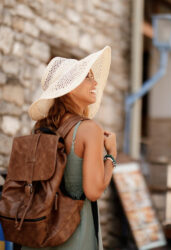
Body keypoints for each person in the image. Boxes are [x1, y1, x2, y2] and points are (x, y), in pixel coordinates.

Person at [22, 46, 116, 250]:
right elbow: (93, 191)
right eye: (87, 78)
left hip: (39, 232)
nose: (95, 83)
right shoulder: (89, 129)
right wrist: (111, 157)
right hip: (73, 235)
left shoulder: (41, 128)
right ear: (71, 87)